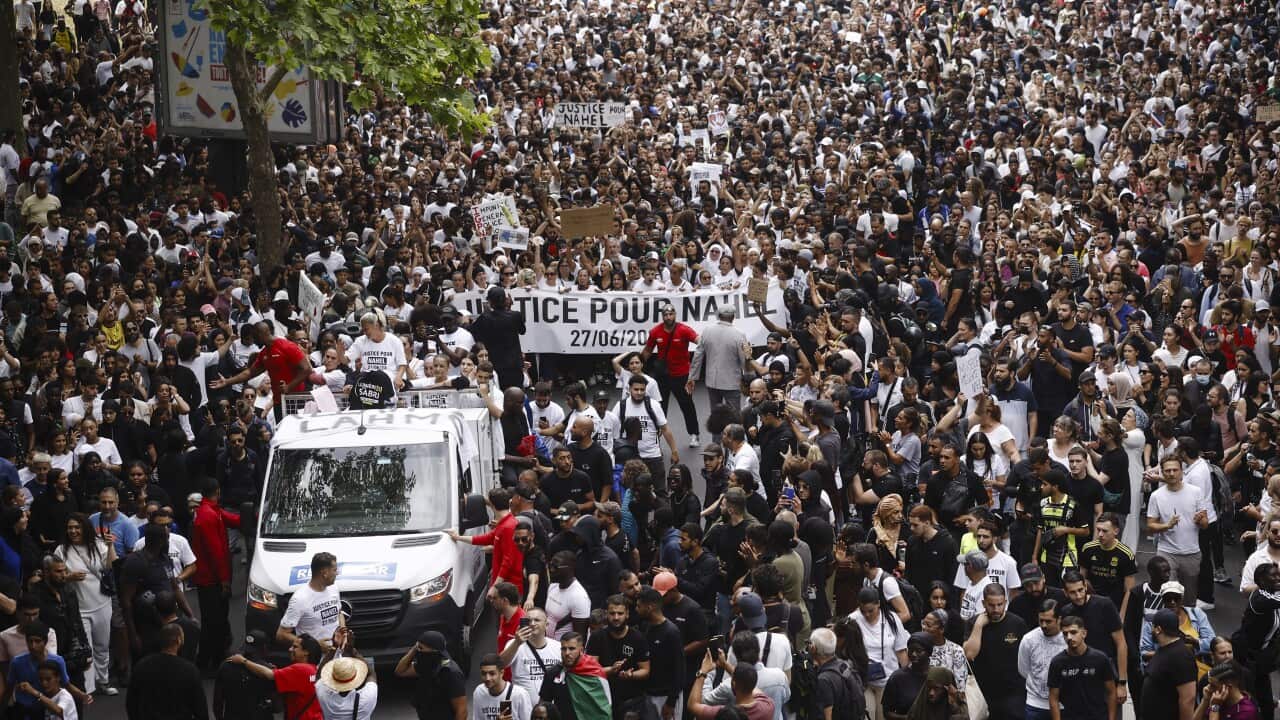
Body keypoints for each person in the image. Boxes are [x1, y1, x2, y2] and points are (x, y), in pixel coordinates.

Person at [208, 322, 311, 421]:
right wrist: (227, 381)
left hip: (295, 399)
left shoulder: (287, 347)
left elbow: (307, 369)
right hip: (278, 402)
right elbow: (248, 373)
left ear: (262, 334)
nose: (253, 341)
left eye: (255, 337)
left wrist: (289, 386)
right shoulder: (264, 353)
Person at [190, 478, 240, 671]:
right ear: (218, 492)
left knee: (217, 619)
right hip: (211, 579)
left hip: (210, 577)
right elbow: (216, 552)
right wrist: (224, 580)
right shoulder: (208, 515)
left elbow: (233, 520)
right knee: (213, 622)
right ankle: (208, 662)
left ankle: (213, 658)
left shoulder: (210, 511)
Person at [1147, 457, 1211, 606]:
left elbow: (1205, 524)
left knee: (1189, 600)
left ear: (1181, 472)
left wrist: (1200, 520)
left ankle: (1187, 626)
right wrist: (1167, 526)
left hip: (1191, 553)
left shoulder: (1196, 492)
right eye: (1167, 470)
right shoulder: (1156, 496)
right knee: (1169, 595)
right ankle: (1167, 626)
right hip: (1167, 552)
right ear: (1162, 472)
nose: (1171, 474)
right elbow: (1150, 525)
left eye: (1175, 470)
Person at [964, 583, 1028, 720]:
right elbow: (969, 654)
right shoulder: (974, 623)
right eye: (991, 605)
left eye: (1000, 604)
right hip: (983, 692)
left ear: (1005, 602)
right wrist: (979, 626)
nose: (996, 609)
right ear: (983, 603)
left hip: (1013, 693)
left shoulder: (1018, 623)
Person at [228, 633, 324, 720]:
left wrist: (243, 661)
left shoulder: (301, 669)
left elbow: (269, 675)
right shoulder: (314, 671)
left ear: (306, 652)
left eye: (295, 647)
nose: (290, 649)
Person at [642, 305, 701, 446]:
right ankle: (655, 437)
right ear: (662, 316)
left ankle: (694, 434)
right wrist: (637, 367)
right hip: (662, 375)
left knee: (687, 405)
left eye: (671, 314)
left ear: (675, 314)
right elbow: (648, 350)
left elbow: (700, 341)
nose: (668, 317)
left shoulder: (684, 330)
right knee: (659, 407)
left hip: (681, 375)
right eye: (666, 314)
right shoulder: (655, 331)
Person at [448, 487, 524, 595]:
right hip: (504, 586)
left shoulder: (508, 527)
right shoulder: (504, 523)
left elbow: (508, 561)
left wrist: (495, 587)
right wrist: (458, 537)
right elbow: (487, 538)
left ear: (492, 505)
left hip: (508, 588)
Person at [126, 623, 208, 720]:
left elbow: (131, 703)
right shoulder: (190, 671)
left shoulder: (141, 666)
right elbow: (201, 710)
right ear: (178, 640)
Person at [853, 585, 908, 718]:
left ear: (878, 604)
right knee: (867, 715)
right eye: (863, 611)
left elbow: (901, 651)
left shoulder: (892, 620)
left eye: (870, 611)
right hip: (864, 681)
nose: (866, 615)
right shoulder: (853, 619)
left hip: (887, 681)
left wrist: (905, 678)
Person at [539, 632, 612, 720]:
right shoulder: (552, 673)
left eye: (571, 649)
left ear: (581, 650)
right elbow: (543, 704)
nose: (567, 653)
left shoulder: (595, 673)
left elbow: (604, 707)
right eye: (563, 649)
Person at [688, 307, 751, 409]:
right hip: (732, 383)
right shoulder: (739, 334)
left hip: (712, 381)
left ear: (718, 316)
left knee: (716, 416)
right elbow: (745, 359)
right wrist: (749, 379)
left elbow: (698, 355)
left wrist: (692, 377)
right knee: (733, 416)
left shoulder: (707, 331)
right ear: (733, 317)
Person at [277, 552, 342, 651]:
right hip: (314, 662)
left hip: (336, 656)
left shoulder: (334, 588)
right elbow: (282, 635)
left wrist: (343, 631)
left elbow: (339, 612)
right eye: (334, 570)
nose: (337, 573)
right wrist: (314, 646)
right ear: (324, 573)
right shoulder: (300, 599)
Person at [1142, 608, 1198, 720]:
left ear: (1158, 629)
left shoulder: (1181, 656)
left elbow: (1188, 699)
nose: (1151, 629)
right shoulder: (1163, 650)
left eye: (1153, 626)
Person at [499, 608, 561, 702]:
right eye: (529, 620)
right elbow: (500, 664)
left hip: (549, 710)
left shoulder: (558, 647)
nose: (532, 623)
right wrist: (517, 642)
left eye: (537, 620)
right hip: (522, 706)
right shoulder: (514, 644)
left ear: (546, 625)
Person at [212, 631, 277, 720]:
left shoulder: (226, 665)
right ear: (264, 648)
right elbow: (277, 707)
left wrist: (219, 718)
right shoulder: (267, 671)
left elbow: (218, 701)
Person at [1019, 601, 1068, 720]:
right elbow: (1023, 669)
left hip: (1064, 703)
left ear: (1059, 619)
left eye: (1048, 621)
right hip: (1036, 703)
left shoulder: (1069, 639)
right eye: (1041, 620)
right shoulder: (1029, 639)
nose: (1044, 625)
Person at [315, 627, 377, 720]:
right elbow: (371, 674)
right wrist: (352, 651)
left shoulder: (325, 698)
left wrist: (334, 648)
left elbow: (319, 676)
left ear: (332, 678)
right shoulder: (366, 698)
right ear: (356, 677)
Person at [881, 632, 933, 720]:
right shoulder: (897, 678)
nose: (914, 654)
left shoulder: (937, 676)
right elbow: (887, 712)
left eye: (919, 651)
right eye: (911, 650)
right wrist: (907, 718)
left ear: (929, 652)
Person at [472, 652, 533, 720]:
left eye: (492, 674)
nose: (487, 678)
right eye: (484, 674)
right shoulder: (479, 692)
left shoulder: (520, 694)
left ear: (501, 673)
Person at [1194, 661, 1259, 720]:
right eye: (1209, 684)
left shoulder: (1246, 712)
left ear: (1228, 687)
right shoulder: (1219, 701)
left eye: (1213, 686)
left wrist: (1215, 708)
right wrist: (1205, 700)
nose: (1208, 688)